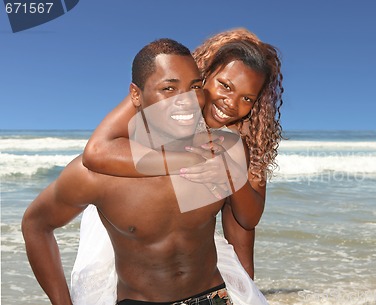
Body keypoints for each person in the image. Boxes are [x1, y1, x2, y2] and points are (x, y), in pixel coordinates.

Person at [22, 38, 248, 305]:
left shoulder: (215, 155)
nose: (186, 101)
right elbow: (35, 225)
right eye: (168, 88)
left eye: (194, 87)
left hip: (214, 297)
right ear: (136, 95)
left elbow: (243, 225)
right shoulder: (99, 173)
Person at [81, 28, 284, 279]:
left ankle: (245, 291)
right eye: (224, 85)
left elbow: (248, 220)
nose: (231, 104)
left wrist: (232, 173)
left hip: (181, 232)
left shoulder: (244, 131)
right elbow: (96, 151)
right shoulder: (170, 92)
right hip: (125, 220)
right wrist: (188, 159)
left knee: (230, 175)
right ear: (204, 74)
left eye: (247, 98)